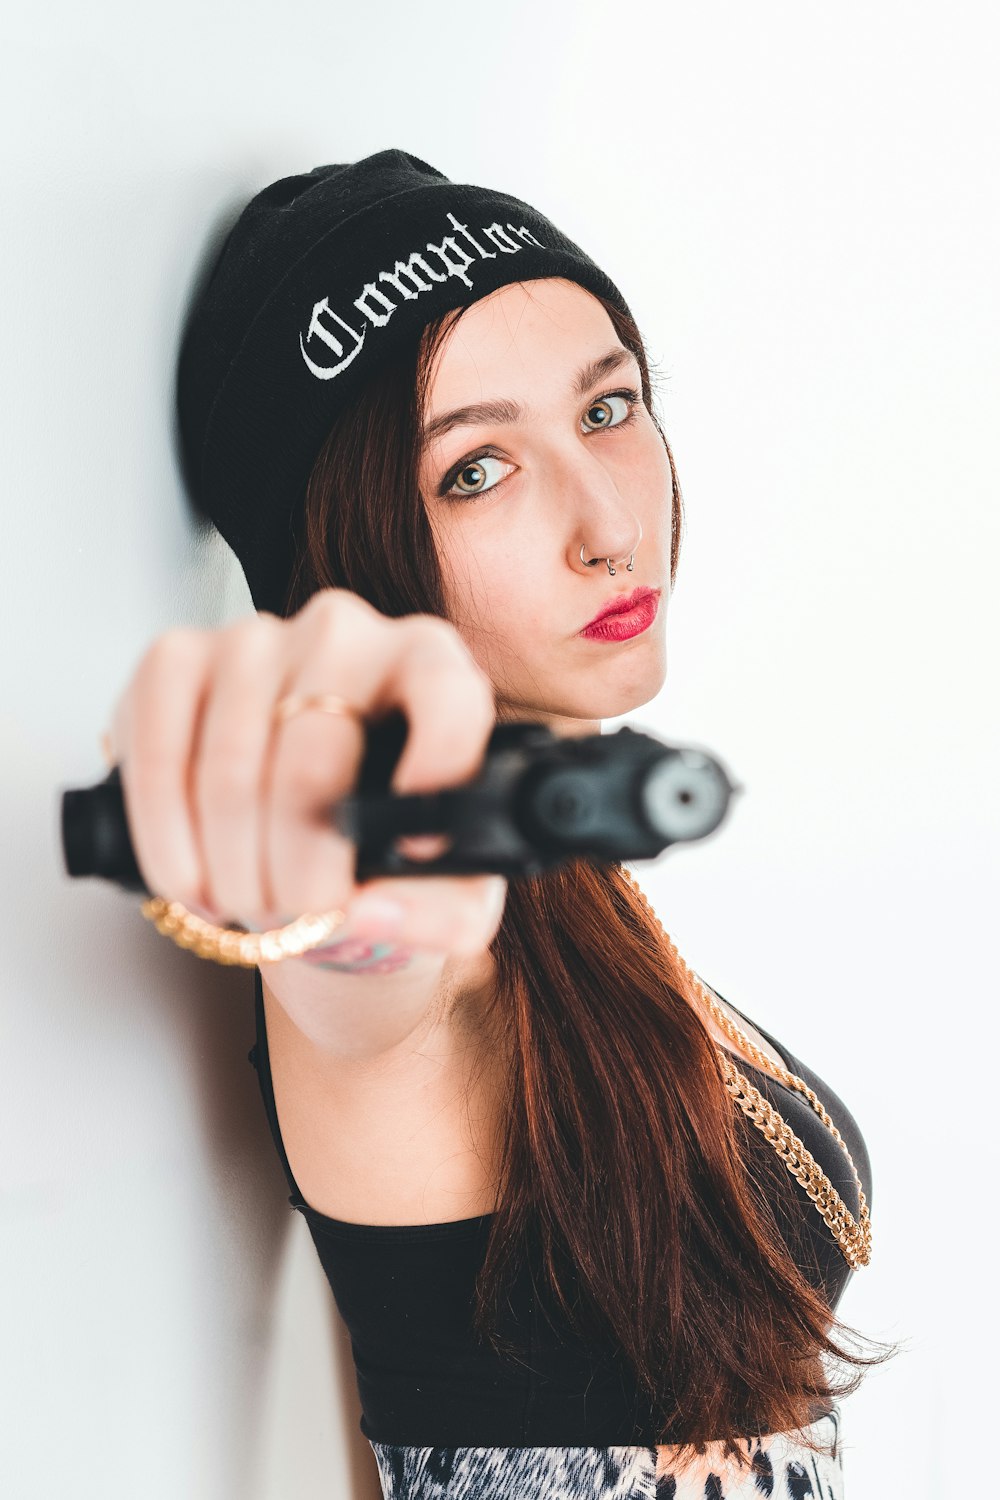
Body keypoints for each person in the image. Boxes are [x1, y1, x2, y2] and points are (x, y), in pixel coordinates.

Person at [105, 149, 896, 1498]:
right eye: (477, 469)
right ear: (349, 547)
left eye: (609, 408)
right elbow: (365, 947)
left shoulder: (582, 895)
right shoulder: (428, 943)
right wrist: (338, 869)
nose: (604, 525)